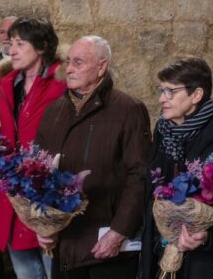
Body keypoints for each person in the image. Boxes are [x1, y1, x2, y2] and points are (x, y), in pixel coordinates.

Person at [36, 36, 150, 279]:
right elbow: (38, 171)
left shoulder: (128, 109)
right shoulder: (54, 111)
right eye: (68, 62)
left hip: (106, 244)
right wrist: (41, 224)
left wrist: (119, 231)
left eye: (78, 62)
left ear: (101, 67)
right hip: (65, 243)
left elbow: (139, 175)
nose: (69, 69)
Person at [141, 57, 213, 279]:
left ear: (196, 95)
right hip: (164, 249)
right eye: (161, 90)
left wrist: (207, 235)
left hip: (209, 261)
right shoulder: (164, 129)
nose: (162, 99)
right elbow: (152, 188)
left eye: (171, 92)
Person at [0, 18, 67, 279]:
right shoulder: (6, 84)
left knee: (53, 269)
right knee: (26, 273)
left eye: (21, 44)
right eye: (11, 43)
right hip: (13, 196)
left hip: (48, 192)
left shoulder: (62, 85)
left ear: (42, 46)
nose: (12, 50)